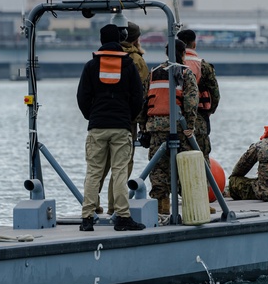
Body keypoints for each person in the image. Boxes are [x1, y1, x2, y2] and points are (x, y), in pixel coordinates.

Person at [76, 23, 146, 232]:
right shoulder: (129, 65)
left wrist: (92, 115)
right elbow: (138, 97)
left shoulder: (91, 65)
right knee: (120, 172)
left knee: (94, 172)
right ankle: (123, 217)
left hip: (97, 126)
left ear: (101, 41)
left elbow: (82, 97)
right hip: (121, 126)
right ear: (120, 39)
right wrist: (128, 117)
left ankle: (87, 217)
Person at [95, 21, 150, 215]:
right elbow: (142, 93)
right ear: (136, 39)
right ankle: (115, 206)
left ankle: (93, 204)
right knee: (123, 165)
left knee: (98, 166)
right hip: (126, 121)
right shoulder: (135, 60)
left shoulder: (102, 57)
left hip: (100, 119)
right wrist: (141, 122)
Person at [139, 38, 198, 216]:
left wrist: (143, 127)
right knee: (184, 163)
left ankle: (161, 203)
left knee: (157, 166)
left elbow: (144, 101)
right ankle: (190, 203)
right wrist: (191, 125)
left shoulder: (154, 72)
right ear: (183, 53)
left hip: (155, 125)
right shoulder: (185, 72)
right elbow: (191, 100)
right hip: (178, 125)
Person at [177, 28, 220, 164]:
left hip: (173, 118)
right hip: (199, 117)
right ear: (194, 44)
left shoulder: (169, 66)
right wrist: (209, 111)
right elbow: (215, 94)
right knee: (201, 158)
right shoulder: (204, 66)